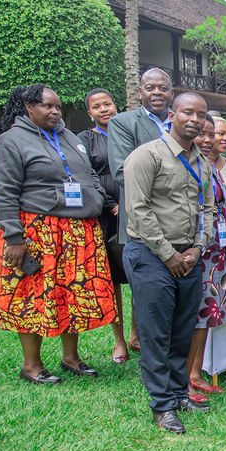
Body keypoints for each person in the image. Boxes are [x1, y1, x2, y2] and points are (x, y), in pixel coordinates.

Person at [0, 84, 116, 384]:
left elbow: (89, 172)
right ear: (28, 108)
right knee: (32, 297)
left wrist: (96, 195)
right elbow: (3, 191)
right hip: (38, 232)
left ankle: (71, 358)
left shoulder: (68, 136)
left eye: (58, 106)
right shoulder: (12, 141)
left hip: (77, 231)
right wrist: (14, 238)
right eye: (47, 106)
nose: (55, 111)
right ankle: (31, 365)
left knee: (73, 294)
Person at [123, 92, 215, 433]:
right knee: (156, 333)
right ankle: (162, 406)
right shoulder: (146, 156)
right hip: (151, 255)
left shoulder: (202, 162)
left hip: (189, 257)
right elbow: (138, 209)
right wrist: (169, 254)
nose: (194, 119)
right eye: (187, 112)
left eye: (200, 114)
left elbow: (208, 210)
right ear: (172, 114)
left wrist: (197, 248)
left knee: (182, 331)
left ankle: (179, 394)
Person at [186, 116, 226, 402]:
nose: (208, 140)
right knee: (194, 314)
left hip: (216, 250)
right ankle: (184, 378)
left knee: (208, 314)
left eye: (212, 135)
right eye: (202, 134)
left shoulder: (213, 166)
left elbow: (222, 212)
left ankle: (195, 373)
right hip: (195, 249)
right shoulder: (187, 165)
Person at [79, 88, 134, 364]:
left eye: (108, 104)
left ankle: (137, 334)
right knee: (112, 280)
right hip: (106, 216)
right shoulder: (85, 140)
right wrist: (111, 203)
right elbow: (86, 176)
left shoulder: (126, 131)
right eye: (97, 106)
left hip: (136, 211)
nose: (104, 110)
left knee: (139, 274)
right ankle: (119, 340)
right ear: (90, 112)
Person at [108, 68, 174, 244]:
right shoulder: (123, 123)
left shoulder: (182, 121)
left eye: (163, 88)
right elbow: (122, 171)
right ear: (140, 92)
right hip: (143, 220)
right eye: (150, 87)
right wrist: (175, 188)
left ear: (172, 92)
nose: (157, 93)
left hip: (181, 222)